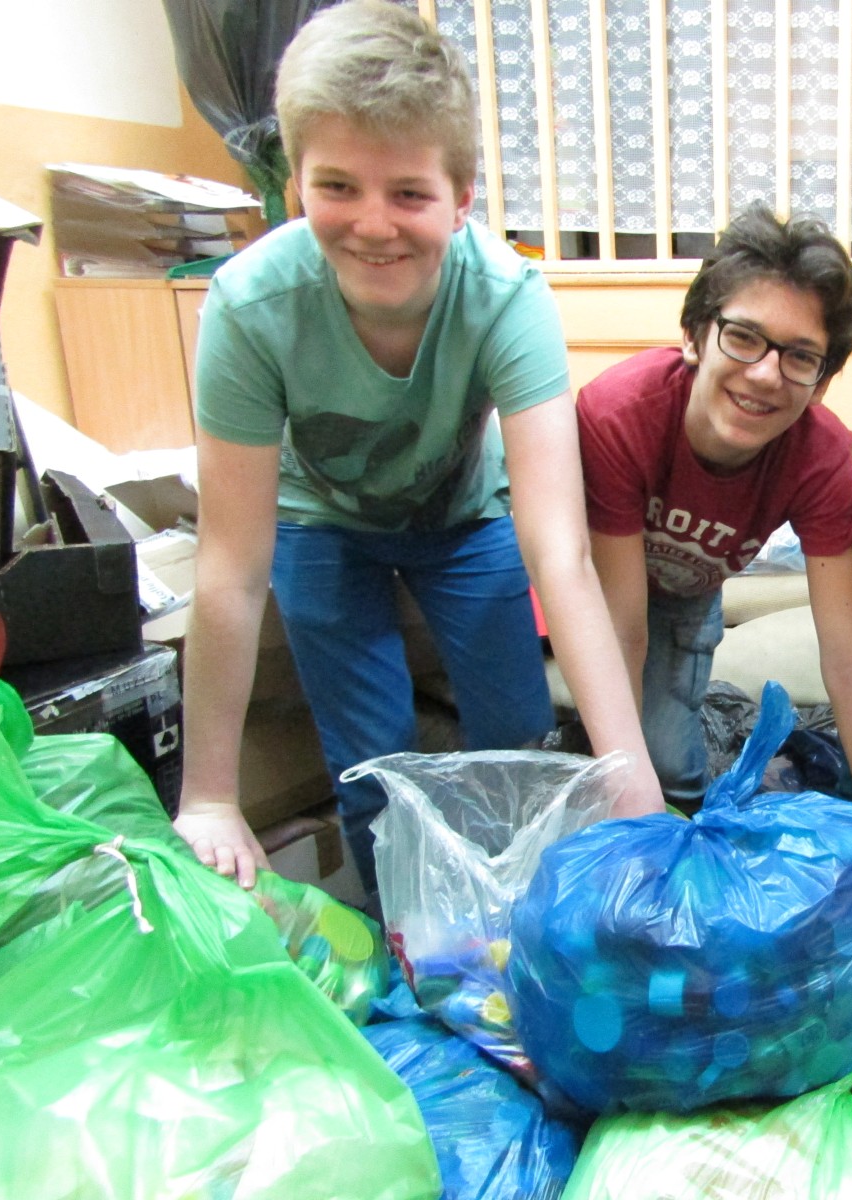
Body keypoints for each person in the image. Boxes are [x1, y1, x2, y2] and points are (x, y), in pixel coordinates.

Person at [173, 0, 661, 897]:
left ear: (461, 198)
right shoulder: (248, 306)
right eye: (338, 187)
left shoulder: (507, 297)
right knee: (373, 763)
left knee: (519, 740)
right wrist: (209, 796)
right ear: (296, 185)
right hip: (319, 521)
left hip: (462, 513)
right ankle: (406, 938)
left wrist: (629, 773)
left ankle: (529, 926)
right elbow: (231, 567)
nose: (373, 224)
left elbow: (559, 553)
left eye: (408, 193)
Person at [577, 203, 852, 829]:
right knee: (618, 773)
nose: (764, 374)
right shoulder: (620, 415)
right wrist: (618, 796)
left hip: (687, 596)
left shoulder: (819, 457)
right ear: (695, 336)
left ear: (821, 382)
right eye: (744, 337)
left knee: (673, 773)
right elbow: (621, 628)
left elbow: (848, 650)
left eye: (800, 357)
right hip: (599, 587)